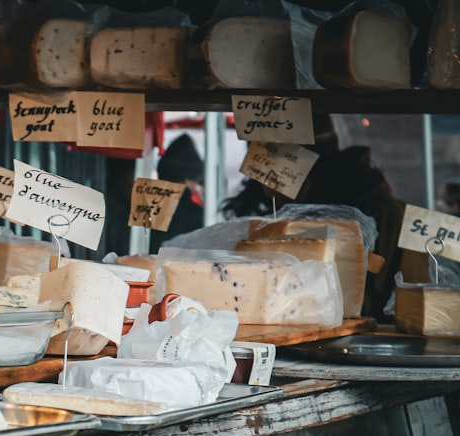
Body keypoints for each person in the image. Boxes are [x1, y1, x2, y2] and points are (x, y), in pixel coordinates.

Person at [222, 115, 427, 323]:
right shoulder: (272, 211)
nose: (268, 178)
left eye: (281, 160)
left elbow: (378, 300)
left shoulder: (375, 211)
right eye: (260, 159)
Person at [149, 133, 205, 254]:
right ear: (185, 180)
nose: (196, 187)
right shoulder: (195, 214)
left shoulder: (144, 207)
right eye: (195, 181)